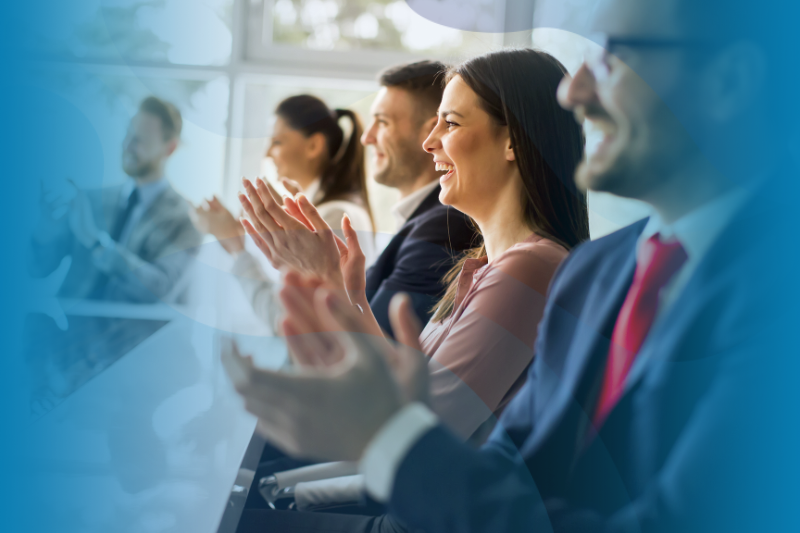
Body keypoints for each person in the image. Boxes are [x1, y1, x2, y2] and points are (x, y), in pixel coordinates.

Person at [223, 0, 800, 531]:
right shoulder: (597, 270)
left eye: (616, 56)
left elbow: (428, 427)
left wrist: (386, 434)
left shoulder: (777, 298)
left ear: (729, 81)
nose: (575, 92)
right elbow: (503, 467)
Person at [248, 49, 589, 443]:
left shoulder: (528, 268)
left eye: (451, 123)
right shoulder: (488, 266)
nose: (429, 143)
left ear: (512, 140)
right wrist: (348, 292)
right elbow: (400, 385)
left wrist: (329, 284)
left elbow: (417, 428)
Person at [234, 62, 478, 336]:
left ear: (430, 131)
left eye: (383, 122)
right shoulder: (421, 220)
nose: (366, 137)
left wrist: (318, 272)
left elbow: (379, 348)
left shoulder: (443, 228)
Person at [191, 95, 374, 328]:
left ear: (314, 146)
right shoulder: (335, 211)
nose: (268, 153)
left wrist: (236, 249)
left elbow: (285, 322)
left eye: (277, 142)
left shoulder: (334, 217)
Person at [30, 96, 201, 303]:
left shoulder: (186, 220)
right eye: (127, 135)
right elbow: (35, 269)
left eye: (139, 140)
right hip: (68, 330)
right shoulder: (90, 201)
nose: (127, 145)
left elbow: (160, 290)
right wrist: (45, 231)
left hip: (133, 335)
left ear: (170, 148)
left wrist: (97, 243)